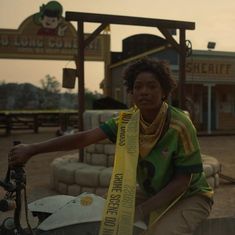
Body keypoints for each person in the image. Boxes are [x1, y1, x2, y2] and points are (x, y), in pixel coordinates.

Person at [8, 57, 213, 235]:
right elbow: (84, 138)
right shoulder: (127, 122)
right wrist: (32, 149)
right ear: (131, 92)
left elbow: (182, 182)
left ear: (164, 92)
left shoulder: (179, 125)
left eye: (152, 86)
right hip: (153, 191)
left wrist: (142, 211)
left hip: (191, 195)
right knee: (104, 214)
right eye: (138, 87)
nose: (144, 92)